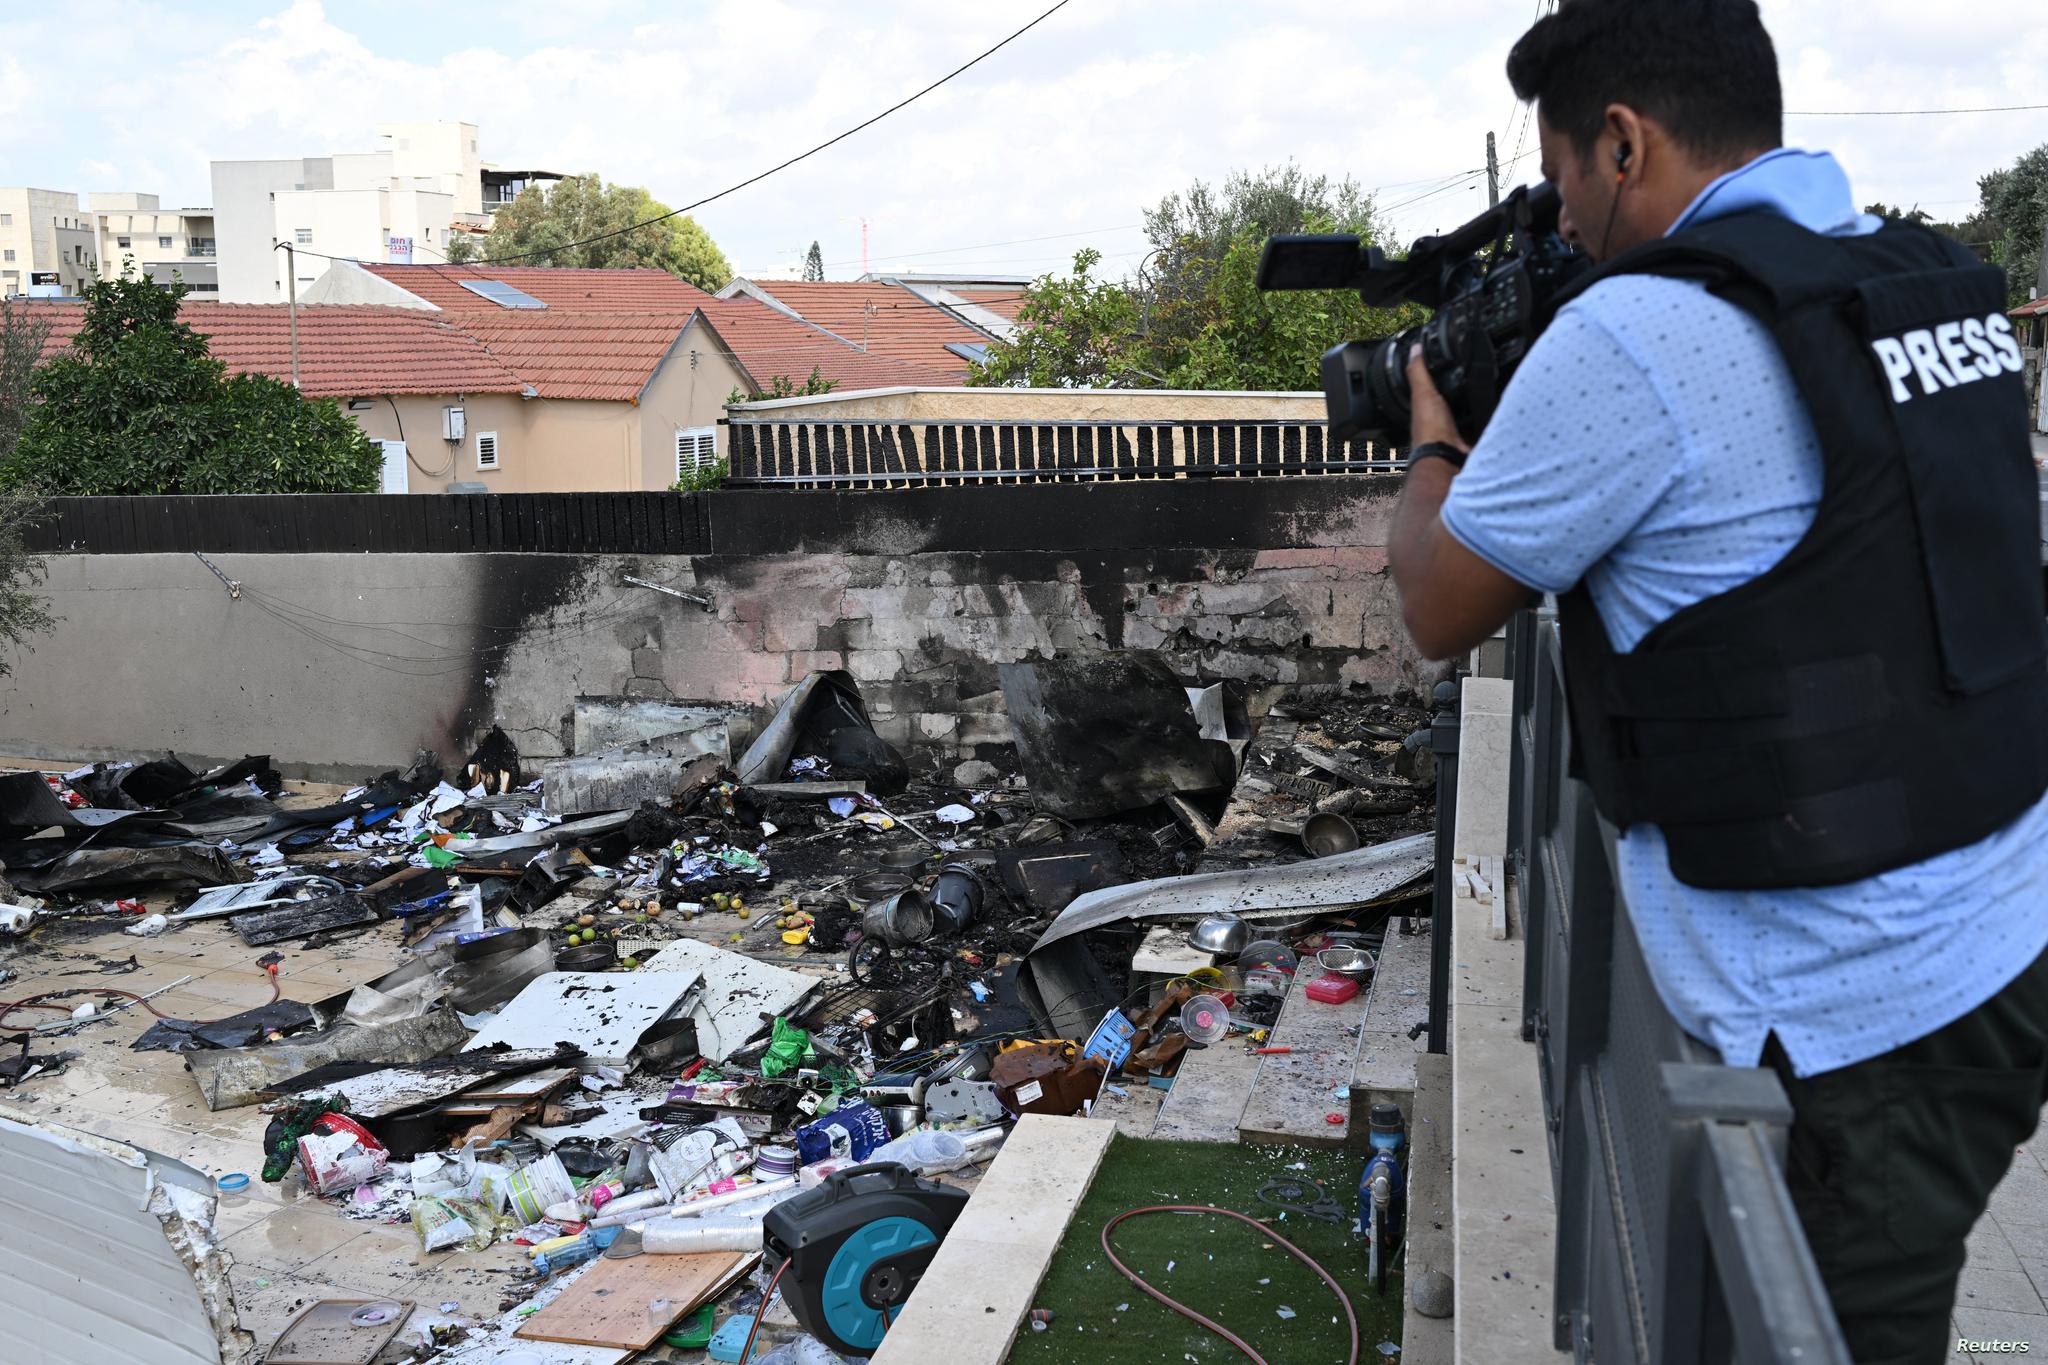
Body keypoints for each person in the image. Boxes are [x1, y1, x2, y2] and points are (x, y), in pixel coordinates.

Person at [1384, 2, 2048, 1360]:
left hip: (1851, 1014)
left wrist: (1433, 436)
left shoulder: (1642, 332)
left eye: (1565, 176)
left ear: (1622, 145)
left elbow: (1440, 603)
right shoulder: (1914, 279)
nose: (1560, 221)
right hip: (2004, 922)